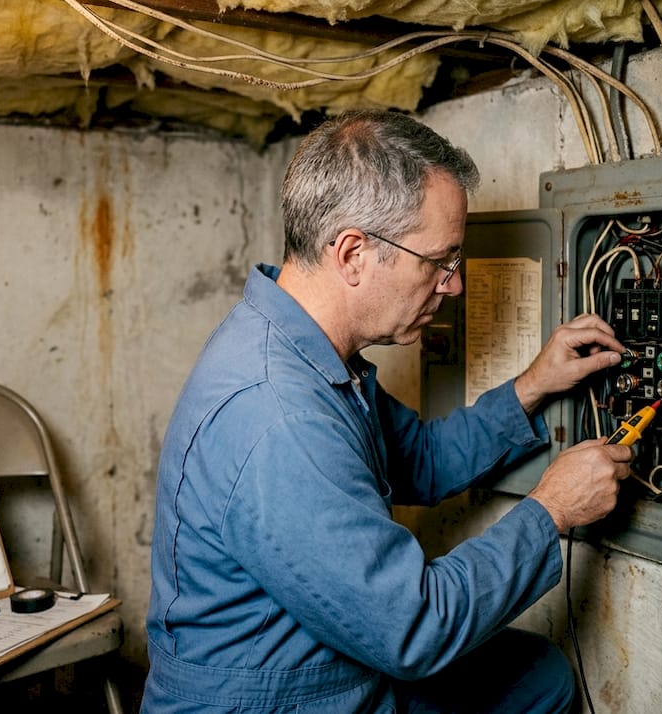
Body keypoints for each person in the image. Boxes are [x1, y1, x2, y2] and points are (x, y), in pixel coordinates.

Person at [143, 110, 632, 713]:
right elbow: (414, 626)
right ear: (353, 254)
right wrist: (551, 511)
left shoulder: (306, 351)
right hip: (276, 699)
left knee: (536, 675)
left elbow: (419, 459)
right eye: (440, 261)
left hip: (326, 665)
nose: (451, 286)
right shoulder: (279, 415)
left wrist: (533, 386)